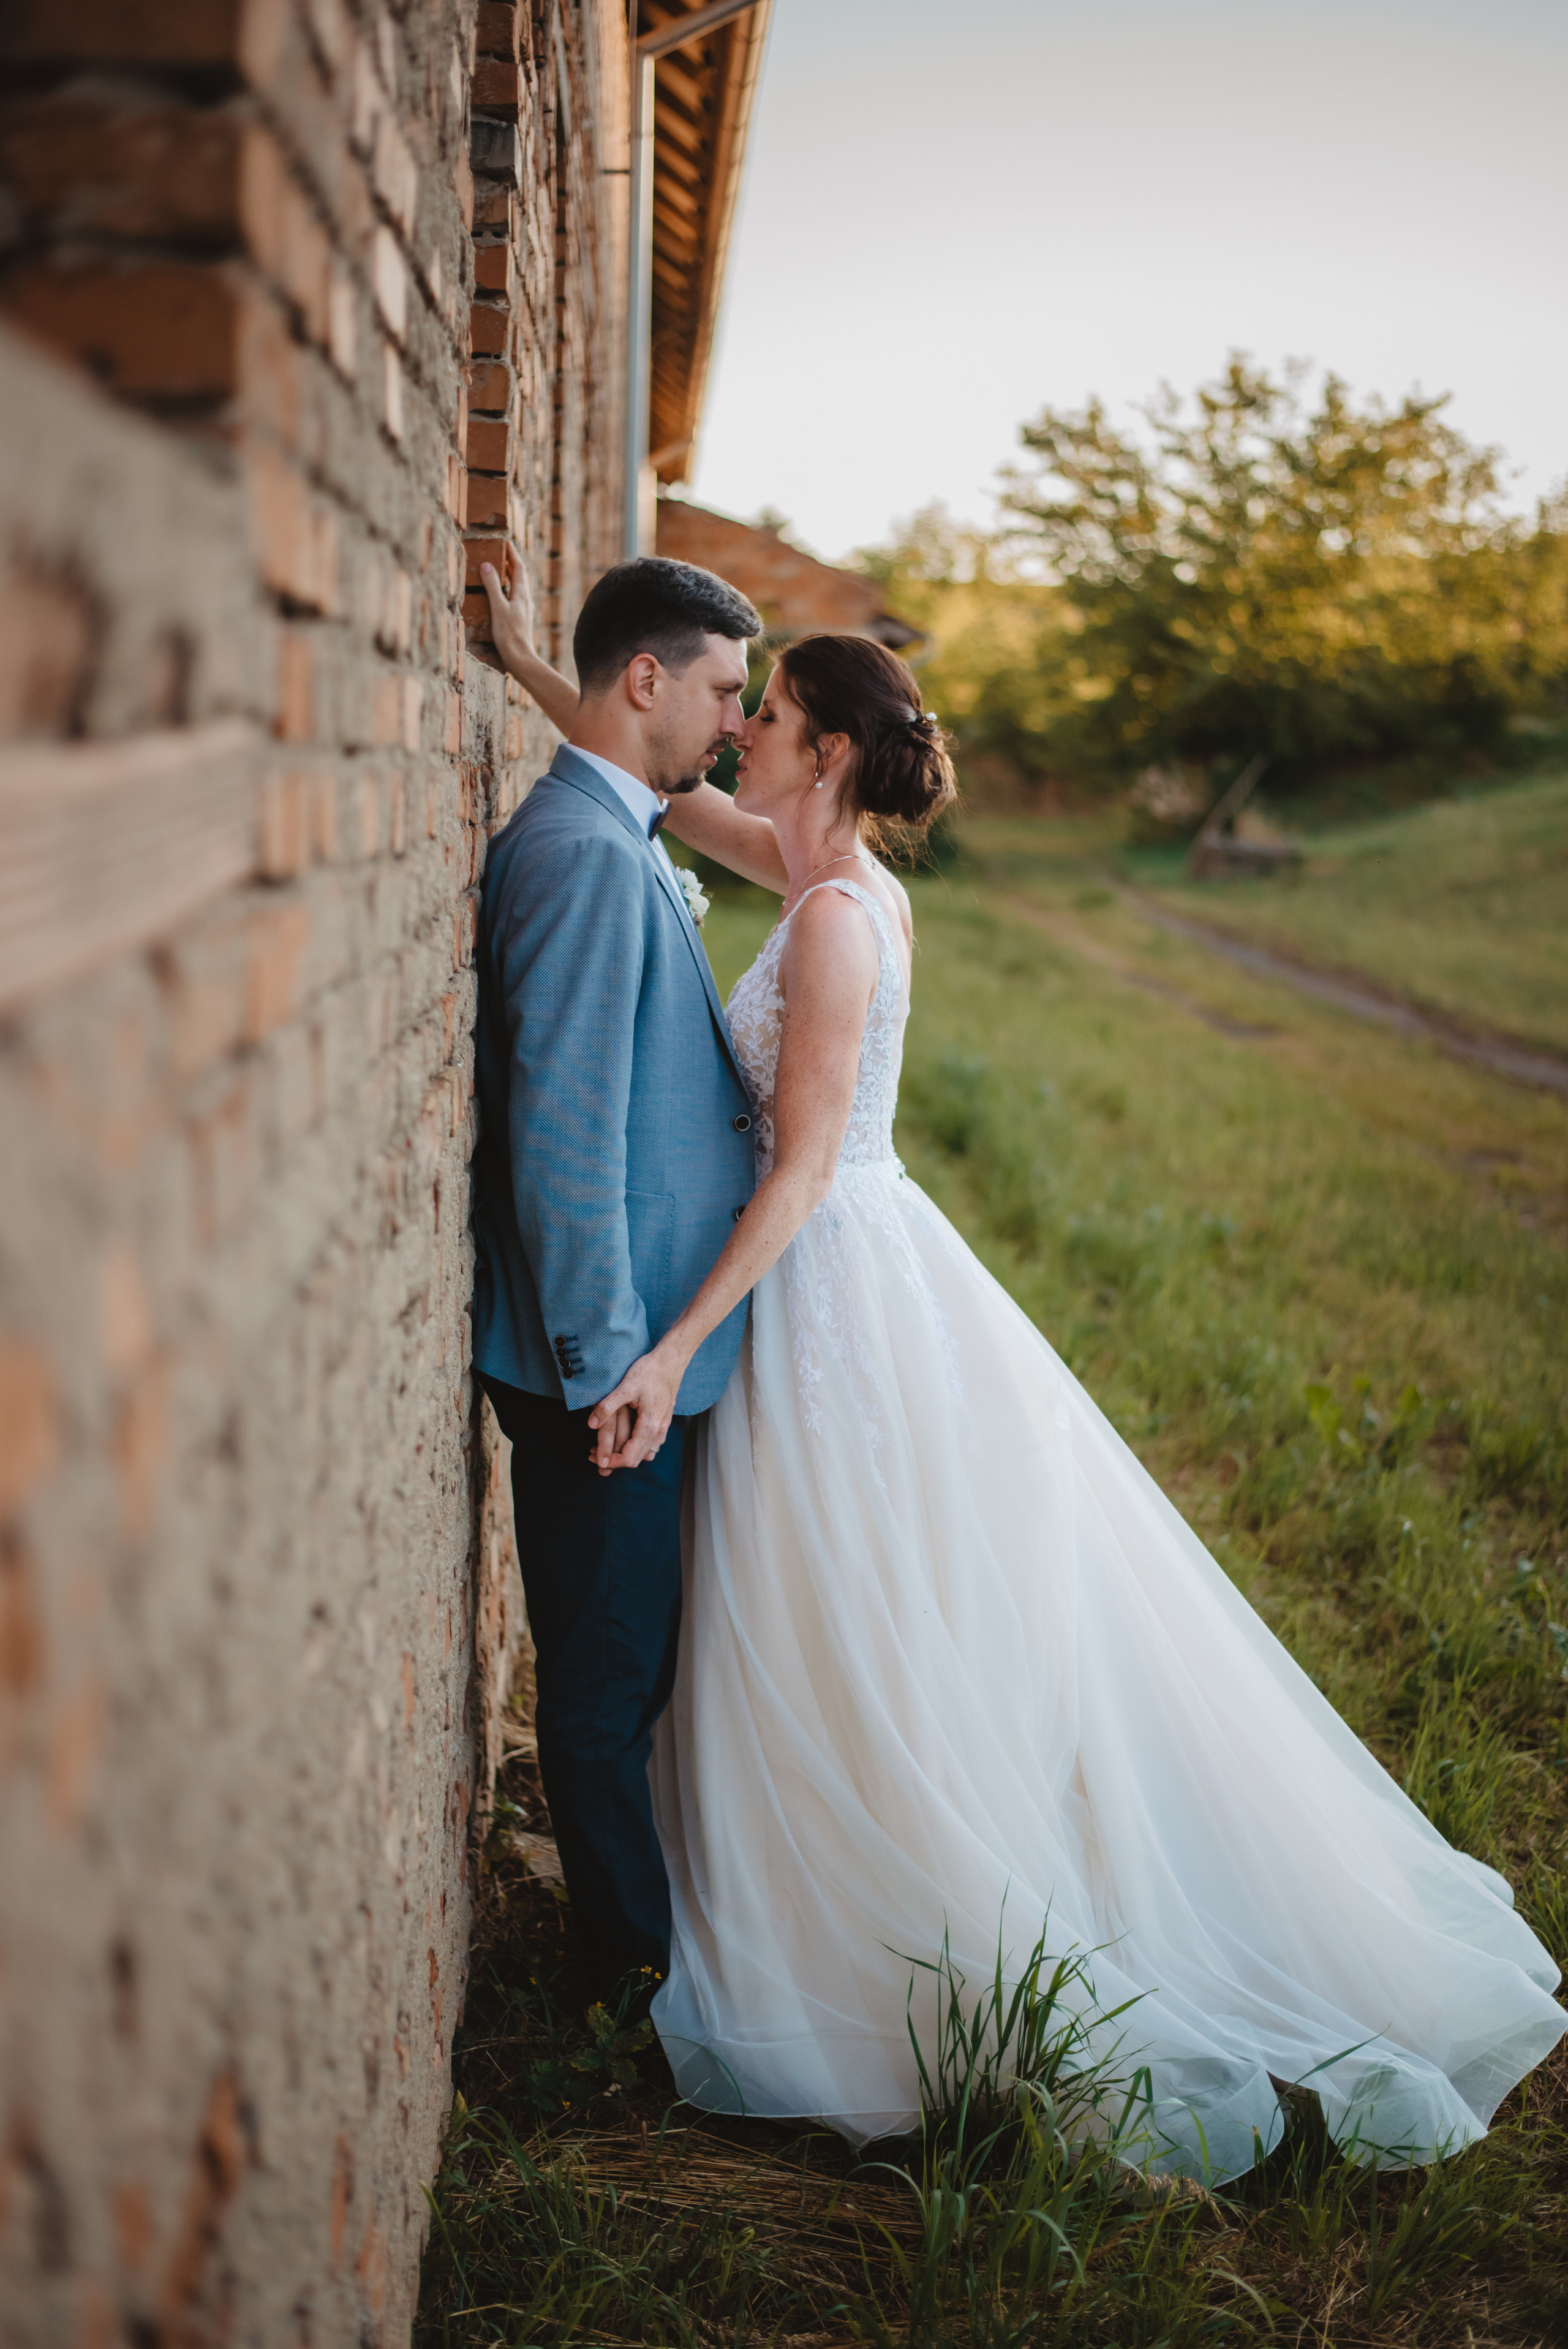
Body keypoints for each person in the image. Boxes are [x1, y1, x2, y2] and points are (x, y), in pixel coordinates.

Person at [480, 553, 1566, 2179]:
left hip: (819, 1275)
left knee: (855, 1609)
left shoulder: (833, 919)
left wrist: (679, 1337)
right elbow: (652, 790)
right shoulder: (814, 861)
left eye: (766, 714)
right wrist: (521, 658)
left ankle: (901, 1920)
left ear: (825, 750)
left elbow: (800, 1168)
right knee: (822, 1612)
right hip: (816, 1270)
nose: (740, 729)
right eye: (731, 702)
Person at [471, 551, 772, 2014]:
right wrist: (608, 1371)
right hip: (606, 1372)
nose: (738, 721)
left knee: (628, 1671)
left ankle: (639, 1967)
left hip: (640, 1358)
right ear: (644, 678)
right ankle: (629, 2000)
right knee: (601, 1697)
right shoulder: (587, 854)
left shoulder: (616, 826)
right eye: (724, 690)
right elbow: (564, 1139)